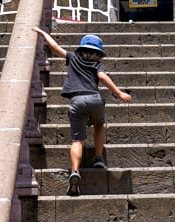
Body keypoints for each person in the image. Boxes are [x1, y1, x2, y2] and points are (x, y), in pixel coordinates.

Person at [32, 28, 132, 195]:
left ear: (81, 48)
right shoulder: (98, 64)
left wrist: (43, 33)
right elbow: (102, 77)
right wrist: (119, 93)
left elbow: (55, 47)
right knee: (99, 125)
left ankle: (75, 171)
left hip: (76, 101)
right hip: (94, 98)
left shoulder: (73, 58)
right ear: (98, 51)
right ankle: (99, 158)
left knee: (77, 140)